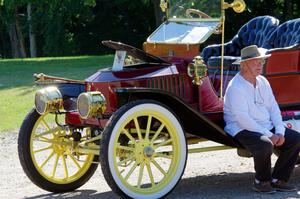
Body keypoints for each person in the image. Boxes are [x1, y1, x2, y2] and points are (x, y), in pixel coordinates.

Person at [224, 45, 300, 193]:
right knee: (265, 145)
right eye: (255, 62)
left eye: (261, 61)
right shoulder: (235, 87)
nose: (260, 65)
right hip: (241, 127)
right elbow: (243, 119)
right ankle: (261, 181)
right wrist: (270, 135)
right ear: (244, 65)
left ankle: (278, 179)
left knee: (295, 139)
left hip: (265, 125)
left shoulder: (263, 81)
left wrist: (279, 132)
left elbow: (273, 108)